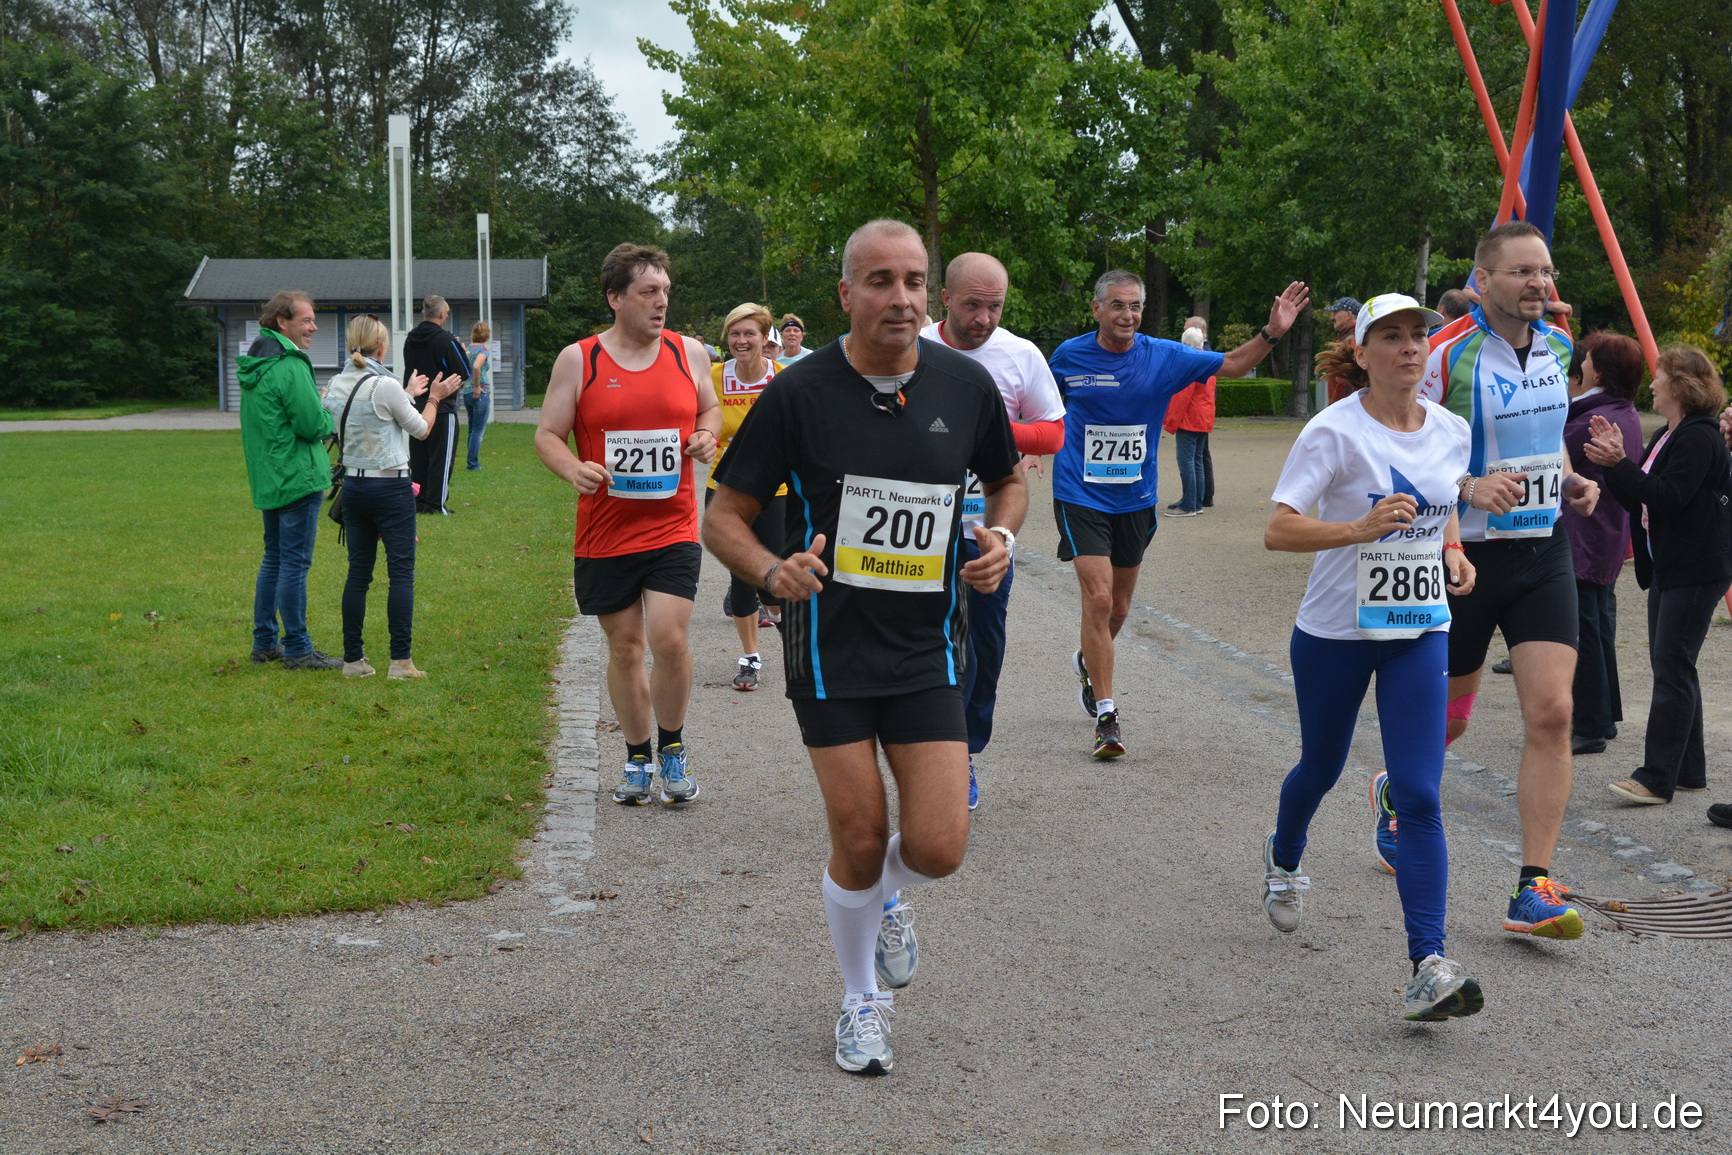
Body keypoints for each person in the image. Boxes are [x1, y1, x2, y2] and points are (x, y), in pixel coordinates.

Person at [703, 219, 1026, 1076]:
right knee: (858, 832)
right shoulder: (798, 393)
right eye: (880, 280)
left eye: (914, 280)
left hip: (927, 644)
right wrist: (772, 571)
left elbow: (1010, 481)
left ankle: (885, 898)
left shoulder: (965, 385)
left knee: (939, 845)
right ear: (846, 294)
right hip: (830, 646)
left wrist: (999, 535)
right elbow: (721, 517)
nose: (902, 297)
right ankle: (860, 1001)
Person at [1262, 293, 1483, 1021]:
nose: (1410, 347)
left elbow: (1443, 497)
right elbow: (1278, 533)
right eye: (1391, 336)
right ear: (1362, 352)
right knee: (1320, 766)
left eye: (1419, 334)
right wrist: (1357, 527)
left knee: (1419, 793)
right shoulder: (1333, 432)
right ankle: (1286, 856)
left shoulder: (1451, 429)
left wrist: (1450, 548)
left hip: (1420, 627)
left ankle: (1429, 961)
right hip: (1334, 634)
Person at [1416, 220, 1601, 940]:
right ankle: (1399, 796)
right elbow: (1406, 437)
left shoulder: (1557, 346)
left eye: (1545, 271)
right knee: (1450, 720)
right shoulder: (1444, 352)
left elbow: (1545, 432)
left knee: (1553, 710)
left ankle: (1534, 886)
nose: (1539, 284)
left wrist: (1572, 477)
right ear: (1483, 278)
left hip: (1543, 548)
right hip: (1462, 555)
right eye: (1523, 272)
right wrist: (1466, 485)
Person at [1050, 269, 1309, 759]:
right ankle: (1107, 713)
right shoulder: (1069, 356)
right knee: (1099, 598)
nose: (1127, 315)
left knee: (1119, 609)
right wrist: (1028, 448)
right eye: (1118, 305)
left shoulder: (1163, 355)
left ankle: (1089, 660)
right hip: (1080, 494)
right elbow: (1041, 406)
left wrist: (1273, 330)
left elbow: (1232, 364)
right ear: (1096, 308)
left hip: (1135, 499)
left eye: (1135, 306)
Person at [535, 243, 722, 807]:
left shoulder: (688, 353)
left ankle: (673, 748)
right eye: (648, 292)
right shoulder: (580, 359)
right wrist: (574, 468)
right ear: (616, 298)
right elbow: (547, 435)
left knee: (667, 637)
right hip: (605, 531)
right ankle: (637, 756)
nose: (661, 301)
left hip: (672, 526)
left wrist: (707, 435)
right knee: (625, 647)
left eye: (665, 291)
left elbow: (709, 409)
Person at [921, 251, 1066, 807]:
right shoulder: (915, 346)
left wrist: (989, 433)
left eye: (995, 306)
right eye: (973, 305)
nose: (983, 318)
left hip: (986, 532)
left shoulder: (1020, 354)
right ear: (946, 299)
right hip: (919, 529)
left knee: (982, 642)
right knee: (924, 642)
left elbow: (1052, 434)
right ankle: (933, 752)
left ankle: (967, 750)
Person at [1583, 346, 1732, 805]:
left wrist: (1619, 464)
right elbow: (1641, 498)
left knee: (1672, 667)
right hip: (1671, 565)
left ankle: (1656, 777)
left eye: (1660, 375)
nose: (1652, 383)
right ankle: (1688, 770)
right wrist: (1617, 463)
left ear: (1681, 386)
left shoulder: (1698, 436)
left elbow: (1669, 497)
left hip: (1695, 567)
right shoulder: (1671, 433)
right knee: (1673, 666)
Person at [323, 316, 463, 679]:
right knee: (401, 574)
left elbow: (371, 415)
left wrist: (408, 395)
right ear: (381, 346)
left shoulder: (336, 384)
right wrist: (433, 397)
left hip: (354, 486)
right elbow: (421, 430)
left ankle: (353, 660)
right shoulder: (384, 384)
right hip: (390, 487)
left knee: (358, 574)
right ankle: (400, 661)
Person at [239, 291, 341, 670]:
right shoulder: (289, 364)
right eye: (307, 320)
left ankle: (264, 642)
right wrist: (327, 414)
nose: (313, 327)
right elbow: (312, 423)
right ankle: (297, 648)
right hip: (297, 475)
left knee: (274, 558)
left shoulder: (256, 365)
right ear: (282, 322)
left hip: (270, 475)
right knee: (293, 564)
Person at [1559, 332, 1645, 754]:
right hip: (1606, 533)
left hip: (1588, 533)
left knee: (1585, 629)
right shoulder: (1619, 410)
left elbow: (1561, 454)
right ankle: (1603, 716)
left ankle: (1591, 723)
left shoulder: (1595, 416)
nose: (1582, 363)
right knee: (1598, 624)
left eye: (1589, 358)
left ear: (1600, 371)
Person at [707, 302, 785, 691]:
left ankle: (783, 620)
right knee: (742, 574)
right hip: (726, 492)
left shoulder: (784, 378)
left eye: (749, 333)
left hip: (777, 491)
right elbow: (699, 419)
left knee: (772, 574)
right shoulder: (713, 377)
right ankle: (750, 658)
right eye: (735, 333)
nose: (741, 340)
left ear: (765, 336)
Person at [403, 296, 472, 514]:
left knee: (419, 456)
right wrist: (462, 352)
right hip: (442, 407)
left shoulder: (410, 339)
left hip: (415, 406)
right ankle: (436, 504)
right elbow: (465, 372)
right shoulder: (446, 339)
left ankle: (418, 500)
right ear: (443, 315)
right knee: (441, 457)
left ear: (423, 313)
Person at [1162, 327, 1216, 517]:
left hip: (1189, 419)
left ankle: (1189, 505)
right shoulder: (1208, 362)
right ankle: (1195, 500)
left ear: (1185, 344)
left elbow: (1181, 398)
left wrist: (1170, 422)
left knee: (1186, 462)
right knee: (1197, 461)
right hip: (1203, 418)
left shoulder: (1189, 364)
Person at [463, 322, 493, 471]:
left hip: (466, 393)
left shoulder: (467, 350)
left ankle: (471, 461)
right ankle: (473, 464)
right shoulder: (483, 350)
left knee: (471, 429)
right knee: (478, 430)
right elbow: (476, 366)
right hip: (480, 392)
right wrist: (477, 386)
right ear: (486, 334)